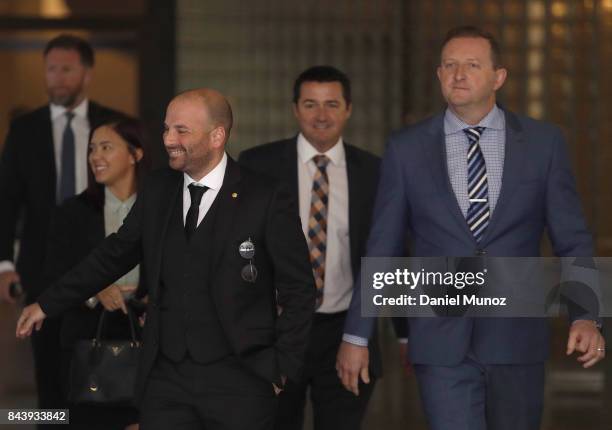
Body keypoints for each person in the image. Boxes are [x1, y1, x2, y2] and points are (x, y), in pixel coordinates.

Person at [337, 26, 605, 430]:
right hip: (441, 340)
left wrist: (586, 315)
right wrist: (357, 335)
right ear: (439, 75)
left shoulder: (543, 143)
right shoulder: (406, 148)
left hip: (517, 337)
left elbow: (572, 236)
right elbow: (383, 243)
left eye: (472, 65)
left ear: (499, 77)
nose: (458, 74)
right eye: (449, 65)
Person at [17, 88, 316, 430]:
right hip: (167, 380)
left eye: (181, 130)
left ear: (217, 135)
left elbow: (299, 289)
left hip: (242, 378)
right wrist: (47, 303)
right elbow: (113, 255)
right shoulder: (159, 189)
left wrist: (281, 368)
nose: (169, 139)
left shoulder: (265, 195)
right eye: (166, 129)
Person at [239, 65, 380, 430]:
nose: (321, 115)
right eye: (310, 104)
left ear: (348, 109)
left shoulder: (375, 172)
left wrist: (407, 333)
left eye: (332, 104)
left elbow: (389, 252)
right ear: (295, 109)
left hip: (346, 330)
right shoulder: (258, 165)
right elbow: (238, 245)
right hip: (277, 329)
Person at [0, 34, 122, 416]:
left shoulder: (113, 124)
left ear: (86, 74)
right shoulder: (25, 129)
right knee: (49, 376)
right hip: (42, 269)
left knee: (103, 373)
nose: (57, 78)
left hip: (104, 267)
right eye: (50, 69)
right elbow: (6, 200)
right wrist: (4, 265)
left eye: (66, 69)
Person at [43, 117, 151, 429]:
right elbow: (52, 275)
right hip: (87, 339)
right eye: (92, 149)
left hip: (148, 337)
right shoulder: (72, 213)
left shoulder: (161, 207)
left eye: (106, 147)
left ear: (136, 154)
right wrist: (95, 291)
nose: (95, 157)